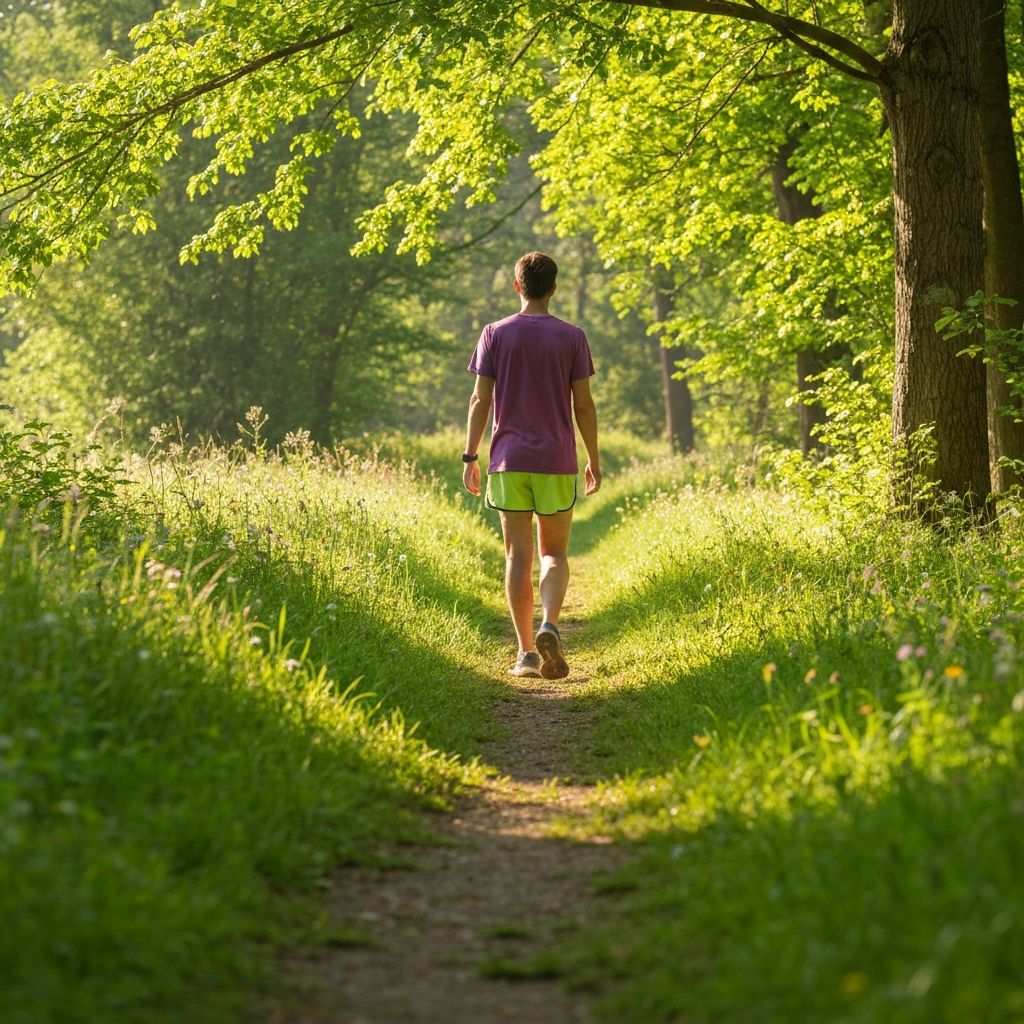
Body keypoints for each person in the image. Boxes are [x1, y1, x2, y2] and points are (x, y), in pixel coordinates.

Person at [462, 251, 601, 679]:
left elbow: (479, 399)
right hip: (557, 461)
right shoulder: (572, 336)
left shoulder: (494, 333)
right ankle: (549, 626)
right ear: (553, 288)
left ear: (517, 286)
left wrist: (470, 456)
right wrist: (593, 459)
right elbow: (584, 404)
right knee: (554, 554)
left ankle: (525, 653)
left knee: (517, 556)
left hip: (509, 461)